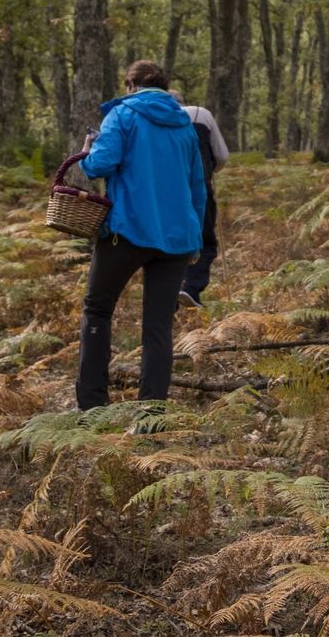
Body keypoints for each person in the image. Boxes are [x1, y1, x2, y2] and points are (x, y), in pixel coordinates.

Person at [74, 60, 206, 416]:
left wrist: (88, 152)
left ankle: (93, 406)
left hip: (126, 231)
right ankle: (150, 414)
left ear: (131, 85)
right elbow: (198, 187)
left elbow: (100, 164)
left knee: (98, 310)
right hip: (176, 238)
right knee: (158, 326)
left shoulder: (121, 115)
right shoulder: (185, 125)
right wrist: (195, 240)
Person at [173, 93, 230, 309]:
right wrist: (209, 170)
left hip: (164, 194)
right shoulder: (201, 114)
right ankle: (190, 288)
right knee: (204, 240)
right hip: (200, 188)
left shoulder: (146, 119)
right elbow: (222, 155)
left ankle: (170, 292)